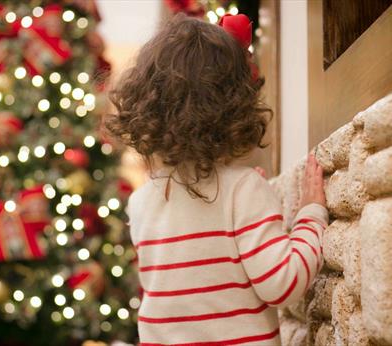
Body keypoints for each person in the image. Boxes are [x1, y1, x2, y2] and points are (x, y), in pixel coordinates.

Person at [104, 13, 328, 346]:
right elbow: (282, 283)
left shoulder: (140, 202)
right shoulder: (243, 189)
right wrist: (311, 215)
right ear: (234, 105)